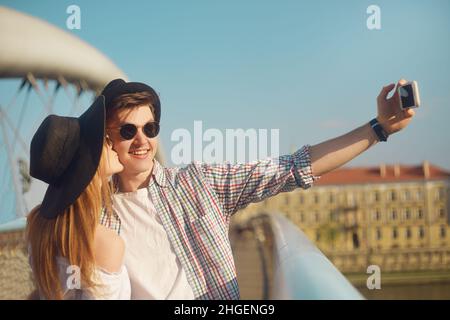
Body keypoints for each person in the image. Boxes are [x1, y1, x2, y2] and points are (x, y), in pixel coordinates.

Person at [100, 78, 415, 300]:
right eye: (128, 131)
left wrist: (379, 128)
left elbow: (294, 167)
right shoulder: (94, 214)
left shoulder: (197, 183)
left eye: (150, 128)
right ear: (106, 139)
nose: (142, 140)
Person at [26, 96, 130, 300]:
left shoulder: (38, 228)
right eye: (105, 142)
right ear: (90, 163)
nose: (112, 145)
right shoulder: (106, 242)